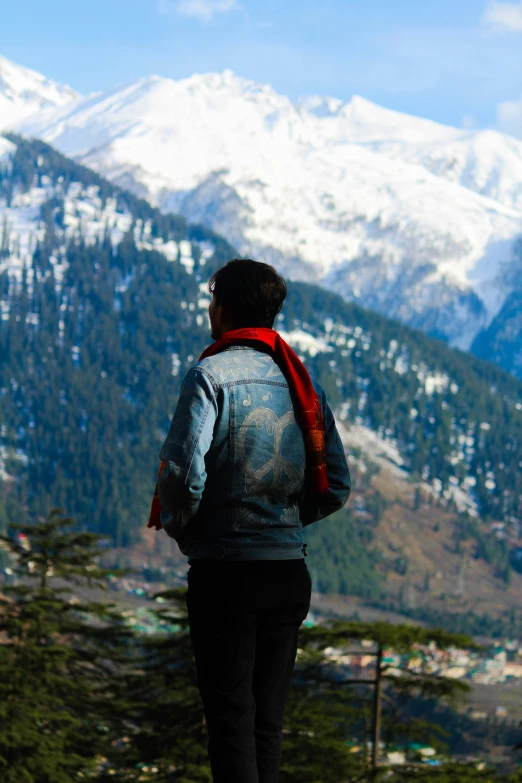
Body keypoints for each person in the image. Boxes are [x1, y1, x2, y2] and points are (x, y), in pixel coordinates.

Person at [149, 258, 351, 783]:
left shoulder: (210, 374)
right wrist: (283, 522)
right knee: (267, 724)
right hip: (288, 574)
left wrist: (184, 526)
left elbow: (180, 474)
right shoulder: (302, 381)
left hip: (227, 573)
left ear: (224, 309)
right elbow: (338, 484)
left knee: (231, 722)